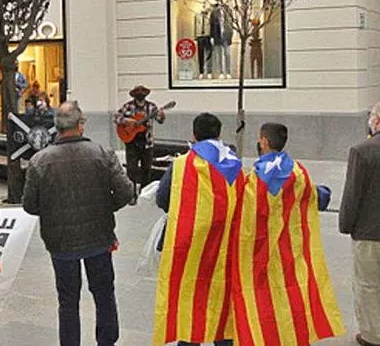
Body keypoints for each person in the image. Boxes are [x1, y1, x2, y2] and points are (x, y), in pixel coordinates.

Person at [23, 102, 132, 346]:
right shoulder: (102, 153)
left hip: (60, 242)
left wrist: (52, 212)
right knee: (104, 293)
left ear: (56, 127)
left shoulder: (39, 161)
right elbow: (125, 193)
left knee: (68, 299)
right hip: (99, 237)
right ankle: (107, 341)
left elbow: (29, 204)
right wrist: (105, 207)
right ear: (80, 125)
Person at [227, 123, 343, 344]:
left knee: (263, 305)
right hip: (292, 251)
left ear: (264, 141)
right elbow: (320, 197)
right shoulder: (299, 171)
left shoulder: (255, 177)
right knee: (291, 300)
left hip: (262, 256)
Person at [154, 113, 238, 346]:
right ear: (219, 134)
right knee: (221, 301)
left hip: (188, 244)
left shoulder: (181, 165)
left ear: (194, 135)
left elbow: (163, 199)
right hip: (223, 245)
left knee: (190, 299)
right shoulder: (235, 165)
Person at [341, 102, 380, 346]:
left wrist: (346, 224)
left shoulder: (362, 150)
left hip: (369, 230)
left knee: (368, 285)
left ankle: (373, 335)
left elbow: (352, 193)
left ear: (376, 121)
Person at [113, 85, 166, 203]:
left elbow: (160, 120)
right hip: (132, 142)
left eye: (142, 93)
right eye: (138, 93)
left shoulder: (151, 107)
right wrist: (128, 121)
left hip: (147, 142)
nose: (140, 95)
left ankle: (144, 193)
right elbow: (116, 117)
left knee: (146, 169)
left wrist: (161, 115)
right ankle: (131, 195)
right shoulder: (128, 106)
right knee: (131, 169)